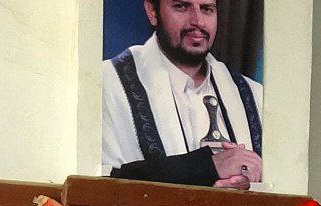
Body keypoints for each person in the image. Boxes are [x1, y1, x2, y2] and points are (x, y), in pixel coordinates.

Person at [102, 0, 265, 188]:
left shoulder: (254, 95)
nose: (198, 21)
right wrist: (207, 168)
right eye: (181, 7)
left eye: (207, 9)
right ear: (152, 11)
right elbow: (100, 184)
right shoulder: (107, 84)